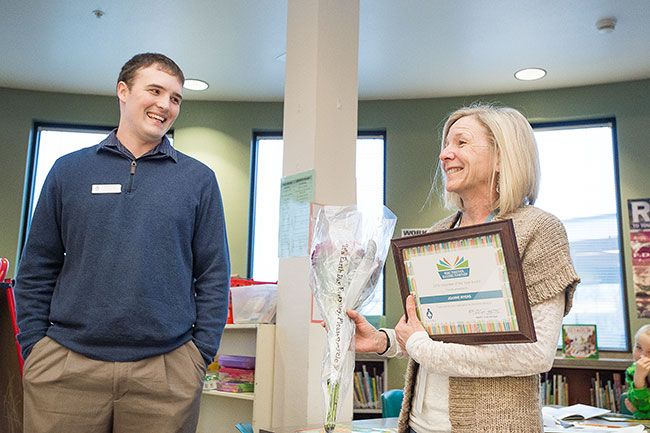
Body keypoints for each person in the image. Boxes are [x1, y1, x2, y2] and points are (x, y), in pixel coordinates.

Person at [14, 53, 230, 433]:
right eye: (155, 90)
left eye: (176, 98)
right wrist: (35, 347)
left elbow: (213, 274)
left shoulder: (199, 180)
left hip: (166, 373)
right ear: (123, 91)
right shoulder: (69, 170)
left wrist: (199, 356)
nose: (165, 104)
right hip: (66, 367)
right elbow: (37, 266)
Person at [348, 104, 580, 433]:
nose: (445, 154)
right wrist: (385, 341)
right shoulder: (436, 234)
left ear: (502, 156)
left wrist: (418, 346)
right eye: (445, 145)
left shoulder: (539, 231)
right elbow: (431, 333)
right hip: (417, 424)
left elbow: (535, 354)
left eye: (461, 143)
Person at [624, 325, 650, 418]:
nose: (642, 356)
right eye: (638, 347)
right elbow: (641, 406)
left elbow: (640, 409)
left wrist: (638, 413)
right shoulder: (633, 371)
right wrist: (638, 379)